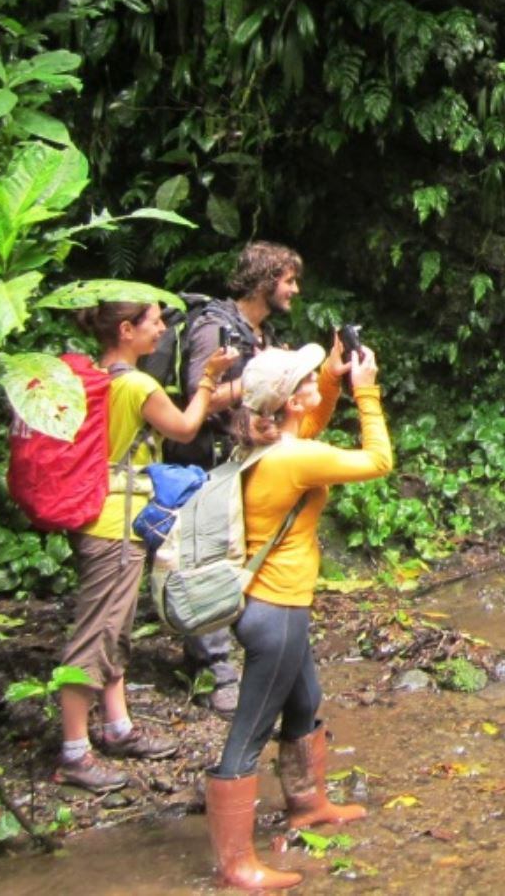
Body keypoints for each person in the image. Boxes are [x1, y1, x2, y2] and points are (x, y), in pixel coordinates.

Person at [205, 339, 392, 891]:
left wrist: (332, 381)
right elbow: (378, 461)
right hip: (276, 611)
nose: (314, 384)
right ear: (288, 400)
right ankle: (235, 862)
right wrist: (367, 392)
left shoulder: (268, 446)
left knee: (305, 701)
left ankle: (307, 805)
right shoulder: (294, 458)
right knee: (249, 730)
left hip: (271, 606)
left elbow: (308, 426)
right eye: (307, 381)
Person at [54, 301, 234, 792]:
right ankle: (73, 751)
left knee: (117, 626)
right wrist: (208, 378)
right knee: (97, 633)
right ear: (127, 329)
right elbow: (184, 427)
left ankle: (118, 726)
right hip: (115, 523)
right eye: (155, 321)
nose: (163, 330)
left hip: (101, 516)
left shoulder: (94, 378)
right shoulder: (136, 385)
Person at [172, 241, 304, 715]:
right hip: (204, 463)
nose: (294, 290)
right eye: (289, 280)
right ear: (267, 280)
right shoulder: (216, 328)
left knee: (237, 558)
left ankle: (237, 657)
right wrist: (260, 380)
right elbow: (198, 396)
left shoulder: (260, 333)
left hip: (244, 459)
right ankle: (213, 670)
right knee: (208, 561)